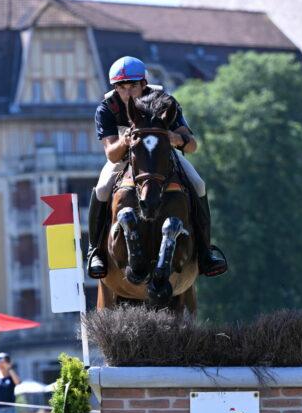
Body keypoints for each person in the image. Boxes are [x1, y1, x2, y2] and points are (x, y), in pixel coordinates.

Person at [85, 55, 228, 280]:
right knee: (103, 188)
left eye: (133, 85)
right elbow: (112, 154)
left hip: (161, 157)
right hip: (125, 159)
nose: (128, 92)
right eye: (122, 87)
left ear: (144, 83)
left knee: (198, 184)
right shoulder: (106, 108)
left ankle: (205, 252)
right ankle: (95, 251)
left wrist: (174, 138)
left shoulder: (163, 102)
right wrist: (126, 140)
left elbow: (192, 145)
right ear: (115, 88)